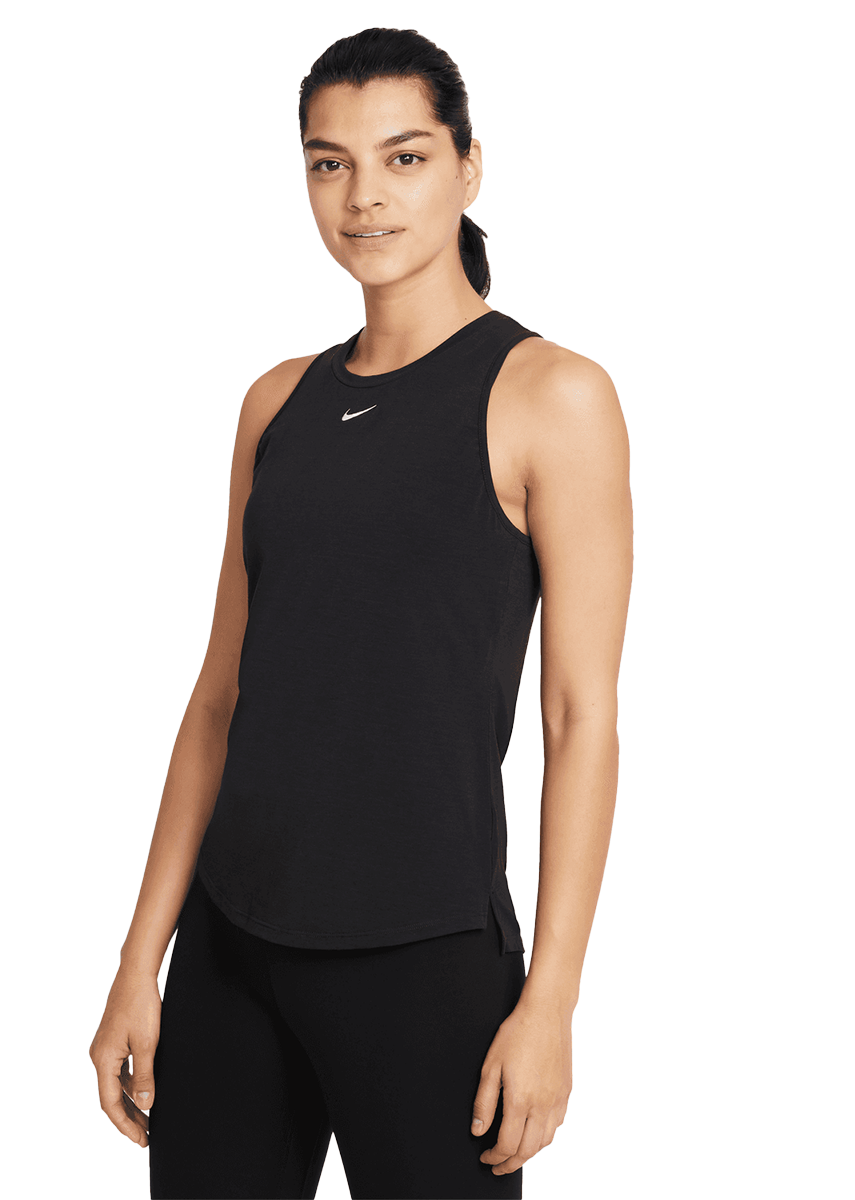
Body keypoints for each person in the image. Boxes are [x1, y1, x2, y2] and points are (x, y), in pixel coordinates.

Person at [89, 26, 632, 1200]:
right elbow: (219, 700)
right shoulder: (276, 402)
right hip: (232, 949)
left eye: (405, 157)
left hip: (425, 956)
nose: (364, 196)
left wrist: (551, 1000)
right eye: (328, 163)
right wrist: (141, 960)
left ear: (468, 167)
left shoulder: (552, 396)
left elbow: (580, 717)